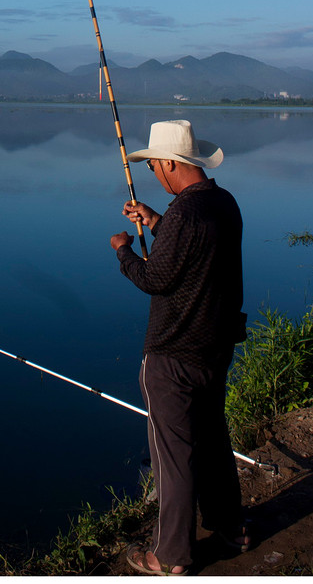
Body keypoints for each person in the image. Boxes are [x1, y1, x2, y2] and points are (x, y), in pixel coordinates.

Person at [109, 119, 248, 575]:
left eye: (154, 166)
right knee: (212, 442)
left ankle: (169, 557)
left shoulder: (187, 215)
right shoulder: (221, 203)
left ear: (171, 163)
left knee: (175, 456)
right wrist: (156, 221)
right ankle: (231, 528)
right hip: (215, 348)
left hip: (174, 355)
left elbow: (156, 278)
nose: (153, 173)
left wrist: (124, 251)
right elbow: (193, 245)